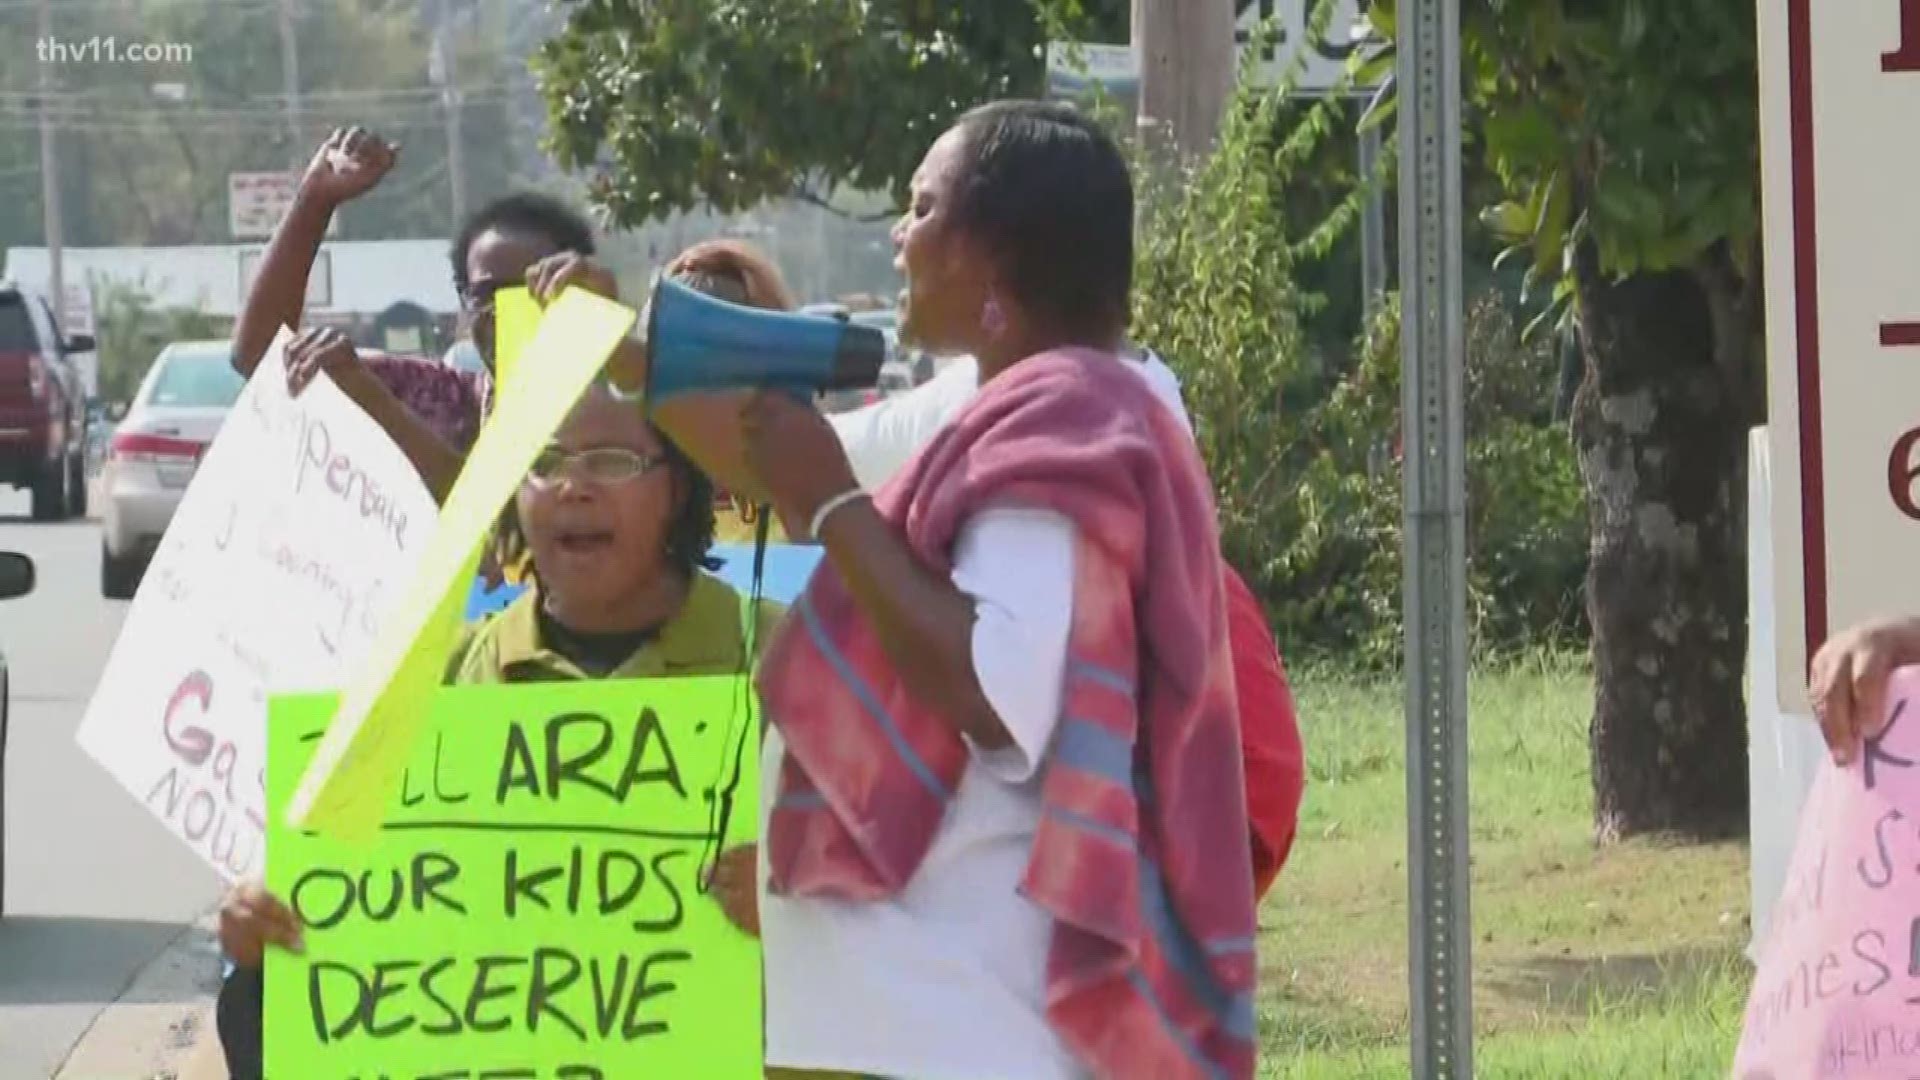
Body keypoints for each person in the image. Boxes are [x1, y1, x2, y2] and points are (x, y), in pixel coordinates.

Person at [719, 100, 1256, 1080]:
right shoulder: (1010, 409)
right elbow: (770, 461)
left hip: (959, 1024)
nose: (898, 232)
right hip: (924, 1024)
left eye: (923, 208)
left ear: (993, 255)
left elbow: (991, 686)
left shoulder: (1065, 429)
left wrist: (832, 506)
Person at [212, 380, 777, 1079]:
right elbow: (320, 885)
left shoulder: (788, 664)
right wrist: (257, 914)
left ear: (681, 489)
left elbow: (917, 909)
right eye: (545, 460)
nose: (573, 486)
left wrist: (800, 912)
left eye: (611, 461)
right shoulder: (431, 680)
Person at [230, 126, 604, 502]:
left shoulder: (622, 420)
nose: (503, 312)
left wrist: (377, 405)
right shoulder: (435, 398)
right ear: (464, 303)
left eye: (532, 289)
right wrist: (315, 201)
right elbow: (260, 359)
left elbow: (490, 523)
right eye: (486, 294)